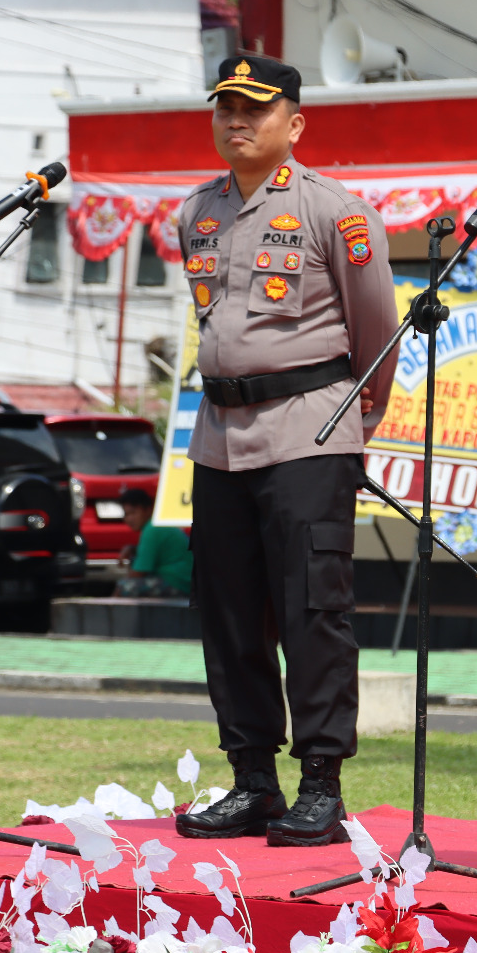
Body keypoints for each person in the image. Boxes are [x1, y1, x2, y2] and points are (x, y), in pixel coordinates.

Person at [171, 56, 398, 846]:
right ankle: (253, 781)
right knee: (229, 613)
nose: (237, 121)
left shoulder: (336, 211)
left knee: (313, 613)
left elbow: (376, 332)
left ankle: (322, 784)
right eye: (225, 108)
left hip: (310, 431)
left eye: (255, 109)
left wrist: (355, 420)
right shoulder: (196, 211)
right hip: (220, 440)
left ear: (293, 123)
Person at [114, 488, 191, 598]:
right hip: (185, 581)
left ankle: (112, 615)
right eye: (126, 514)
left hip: (180, 583)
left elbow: (139, 572)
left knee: (123, 587)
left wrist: (121, 587)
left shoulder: (152, 529)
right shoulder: (157, 525)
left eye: (133, 513)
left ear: (148, 510)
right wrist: (132, 549)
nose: (129, 519)